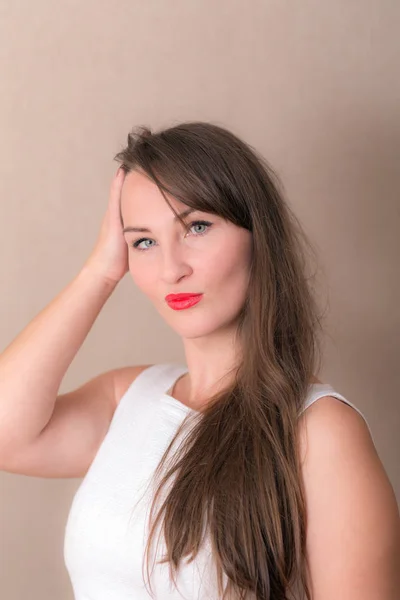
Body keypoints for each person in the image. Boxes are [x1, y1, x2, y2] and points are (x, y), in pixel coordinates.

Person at [0, 121, 398, 599]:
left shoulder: (318, 430)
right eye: (143, 242)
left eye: (197, 227)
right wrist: (102, 269)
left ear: (257, 234)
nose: (171, 268)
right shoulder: (128, 397)